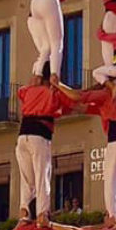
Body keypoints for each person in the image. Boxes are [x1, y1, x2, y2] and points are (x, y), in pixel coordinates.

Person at [57, 79, 116, 226]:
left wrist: (58, 85)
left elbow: (78, 98)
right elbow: (83, 108)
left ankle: (113, 219)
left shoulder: (106, 94)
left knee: (110, 184)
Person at [16, 64, 72, 221]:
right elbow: (71, 103)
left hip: (22, 136)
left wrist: (35, 80)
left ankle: (24, 213)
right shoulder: (53, 93)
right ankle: (42, 214)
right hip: (39, 136)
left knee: (27, 180)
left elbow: (20, 92)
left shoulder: (28, 90)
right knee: (42, 176)